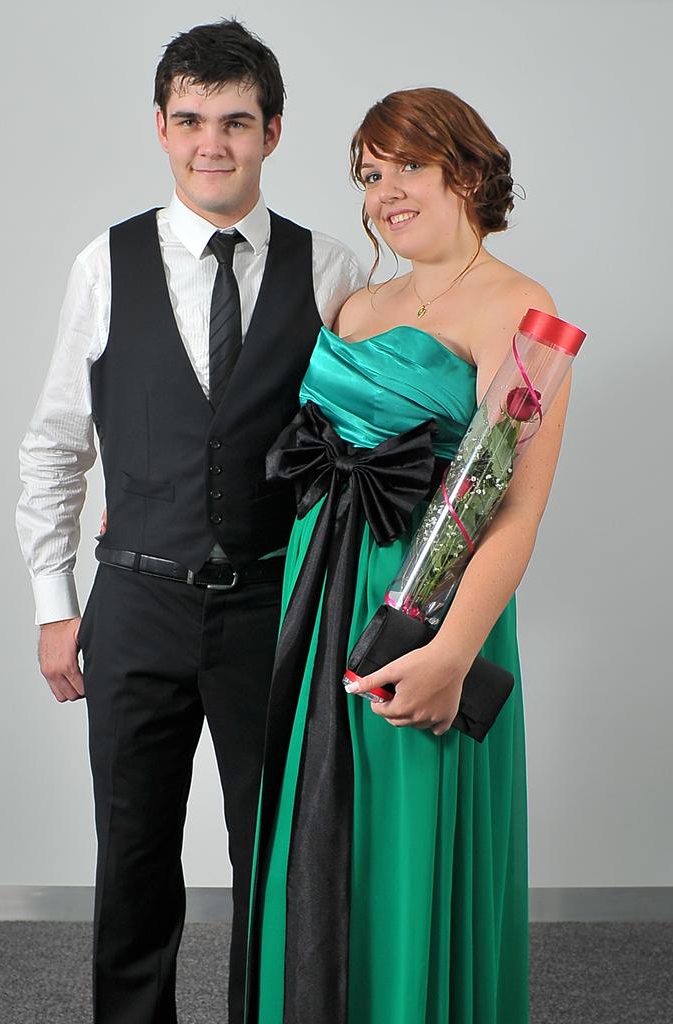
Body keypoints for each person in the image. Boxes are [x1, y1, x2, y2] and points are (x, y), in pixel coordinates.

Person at [15, 19, 362, 1024]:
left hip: (271, 609)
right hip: (132, 604)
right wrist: (53, 603)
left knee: (278, 859)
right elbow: (53, 444)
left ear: (274, 131)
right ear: (161, 129)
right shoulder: (106, 262)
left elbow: (370, 442)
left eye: (237, 121)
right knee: (131, 861)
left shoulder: (331, 269)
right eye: (193, 120)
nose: (214, 142)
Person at [245, 87, 571, 1024]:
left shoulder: (522, 306)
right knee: (317, 834)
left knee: (403, 839)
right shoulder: (360, 298)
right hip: (319, 601)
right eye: (370, 174)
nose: (385, 191)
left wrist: (452, 652)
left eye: (407, 167)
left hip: (427, 611)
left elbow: (515, 508)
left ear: (466, 169)